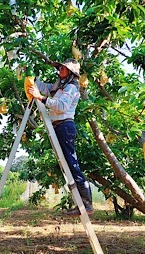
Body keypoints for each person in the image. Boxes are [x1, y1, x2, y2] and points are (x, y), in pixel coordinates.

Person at [28, 58, 93, 217]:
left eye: (63, 69)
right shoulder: (60, 87)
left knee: (72, 164)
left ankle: (87, 203)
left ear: (70, 72)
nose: (59, 71)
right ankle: (81, 203)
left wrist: (41, 98)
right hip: (58, 127)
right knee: (67, 166)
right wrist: (32, 77)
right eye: (60, 68)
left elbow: (62, 106)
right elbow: (44, 88)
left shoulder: (71, 87)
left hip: (65, 127)